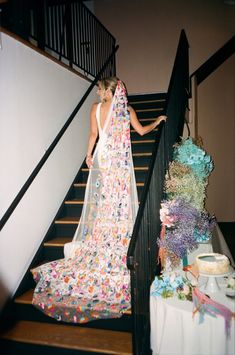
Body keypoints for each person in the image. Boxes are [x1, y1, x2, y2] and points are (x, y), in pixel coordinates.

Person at [31, 77, 167, 323]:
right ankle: (116, 236)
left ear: (108, 90)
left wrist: (88, 155)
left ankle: (105, 235)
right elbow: (141, 131)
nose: (97, 90)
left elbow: (93, 134)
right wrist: (156, 122)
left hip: (105, 158)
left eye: (100, 87)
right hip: (120, 161)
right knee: (119, 200)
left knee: (106, 201)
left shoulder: (95, 109)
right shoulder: (126, 111)